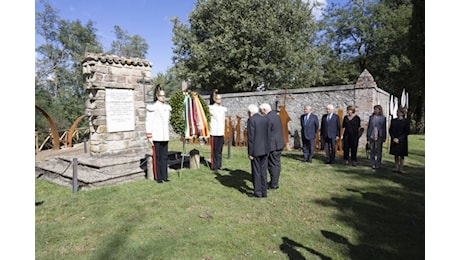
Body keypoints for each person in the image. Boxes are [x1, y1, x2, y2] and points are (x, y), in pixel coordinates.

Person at [146, 84, 172, 183]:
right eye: (161, 96)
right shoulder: (153, 107)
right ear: (157, 96)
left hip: (164, 135)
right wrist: (149, 135)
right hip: (156, 135)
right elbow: (149, 121)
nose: (163, 97)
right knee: (157, 157)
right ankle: (158, 177)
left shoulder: (166, 107)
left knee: (164, 157)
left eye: (164, 96)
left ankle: (165, 176)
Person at [247, 104, 270, 198]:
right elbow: (268, 135)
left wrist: (250, 152)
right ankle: (264, 191)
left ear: (250, 112)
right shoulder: (265, 119)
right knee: (263, 171)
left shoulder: (251, 120)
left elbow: (251, 138)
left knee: (256, 171)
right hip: (265, 149)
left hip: (256, 150)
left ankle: (258, 192)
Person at [259, 103, 284, 190]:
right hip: (279, 143)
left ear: (265, 110)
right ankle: (275, 182)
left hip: (272, 144)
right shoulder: (276, 116)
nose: (261, 114)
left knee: (272, 164)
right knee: (276, 164)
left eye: (261, 112)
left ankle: (274, 184)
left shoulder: (268, 118)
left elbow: (266, 132)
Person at [209, 89, 228, 172]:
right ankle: (214, 165)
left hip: (220, 131)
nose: (220, 100)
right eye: (218, 99)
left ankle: (219, 164)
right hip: (214, 131)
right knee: (214, 150)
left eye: (220, 99)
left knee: (219, 150)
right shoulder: (211, 108)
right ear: (215, 99)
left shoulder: (223, 109)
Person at [389, 107, 410, 173]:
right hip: (394, 139)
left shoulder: (406, 121)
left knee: (402, 154)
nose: (397, 113)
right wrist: (393, 138)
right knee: (396, 154)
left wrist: (399, 139)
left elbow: (407, 131)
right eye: (397, 112)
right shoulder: (393, 121)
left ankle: (401, 168)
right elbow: (390, 130)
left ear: (402, 113)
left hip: (402, 140)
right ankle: (396, 167)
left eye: (399, 112)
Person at [366, 104, 387, 169]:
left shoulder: (383, 118)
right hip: (372, 134)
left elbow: (384, 128)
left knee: (378, 150)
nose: (375, 110)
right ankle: (373, 163)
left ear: (379, 110)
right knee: (372, 149)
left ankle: (378, 163)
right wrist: (368, 136)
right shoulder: (371, 117)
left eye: (376, 109)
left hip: (379, 135)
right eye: (374, 109)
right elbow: (369, 126)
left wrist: (384, 137)